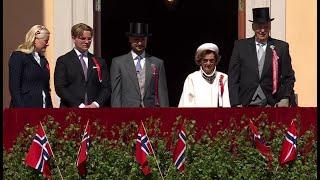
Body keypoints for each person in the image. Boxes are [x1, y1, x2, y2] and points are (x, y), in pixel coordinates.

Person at [228, 7, 296, 107]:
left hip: (273, 103)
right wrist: (236, 103)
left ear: (270, 27)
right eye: (259, 26)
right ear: (253, 27)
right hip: (246, 103)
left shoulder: (281, 47)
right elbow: (233, 78)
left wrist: (285, 98)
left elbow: (288, 77)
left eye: (266, 26)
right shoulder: (240, 46)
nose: (263, 30)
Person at [110, 22, 169, 107]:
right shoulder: (118, 62)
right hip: (127, 112)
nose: (140, 43)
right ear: (130, 39)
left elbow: (162, 93)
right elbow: (116, 93)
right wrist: (117, 115)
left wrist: (164, 114)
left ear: (147, 40)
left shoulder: (157, 63)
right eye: (136, 40)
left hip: (151, 114)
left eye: (143, 40)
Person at [54, 23, 111, 108]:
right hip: (70, 110)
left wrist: (96, 104)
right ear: (73, 38)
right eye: (83, 38)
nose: (87, 42)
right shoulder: (63, 61)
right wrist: (79, 105)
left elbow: (106, 87)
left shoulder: (99, 61)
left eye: (89, 39)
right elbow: (60, 87)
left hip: (94, 110)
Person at [9, 25, 53, 108]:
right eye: (45, 41)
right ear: (35, 40)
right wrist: (23, 110)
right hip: (25, 108)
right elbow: (14, 88)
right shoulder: (18, 57)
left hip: (44, 109)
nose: (47, 44)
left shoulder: (43, 60)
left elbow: (46, 88)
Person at [178, 43, 230, 107]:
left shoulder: (223, 78)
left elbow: (227, 103)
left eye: (211, 61)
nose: (208, 63)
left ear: (216, 61)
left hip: (218, 116)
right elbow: (187, 104)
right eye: (205, 60)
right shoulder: (192, 78)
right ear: (200, 61)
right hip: (198, 116)